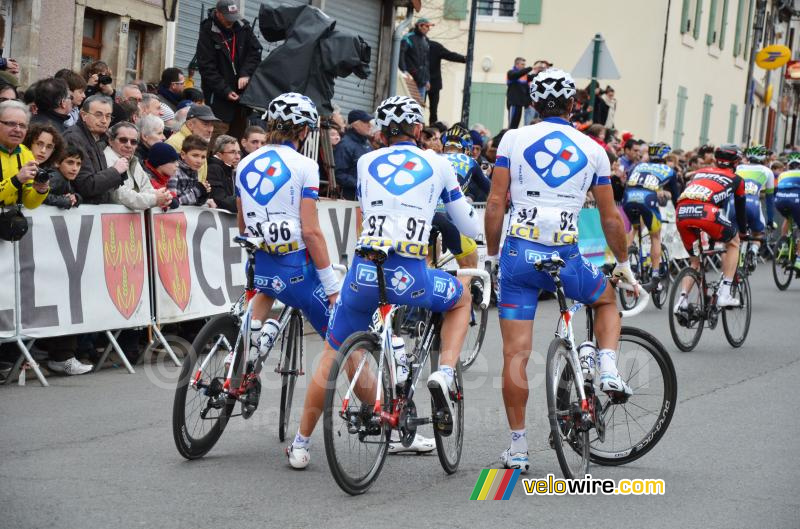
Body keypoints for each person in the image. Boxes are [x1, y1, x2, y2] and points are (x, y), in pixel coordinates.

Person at [288, 95, 480, 468]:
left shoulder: (365, 161)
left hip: (363, 271)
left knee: (333, 354)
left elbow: (365, 214)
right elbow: (468, 224)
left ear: (380, 132)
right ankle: (444, 373)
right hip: (410, 273)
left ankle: (300, 444)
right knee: (461, 298)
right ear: (419, 130)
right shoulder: (437, 162)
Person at [484, 69, 637, 473]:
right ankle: (606, 367)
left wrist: (494, 256)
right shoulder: (593, 148)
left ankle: (518, 448)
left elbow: (496, 202)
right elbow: (609, 218)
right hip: (565, 256)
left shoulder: (513, 139)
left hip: (519, 255)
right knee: (605, 300)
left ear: (533, 103)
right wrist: (622, 264)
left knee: (514, 356)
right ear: (574, 106)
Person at [230, 93, 341, 468]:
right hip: (295, 266)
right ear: (305, 130)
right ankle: (384, 421)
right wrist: (331, 285)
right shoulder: (306, 165)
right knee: (345, 343)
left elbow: (243, 224)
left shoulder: (245, 162)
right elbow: (311, 232)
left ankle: (244, 351)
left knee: (263, 292)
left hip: (261, 259)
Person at [673, 144, 748, 312]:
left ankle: (681, 301)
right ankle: (725, 294)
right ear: (735, 163)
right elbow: (740, 209)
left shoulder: (701, 172)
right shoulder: (737, 180)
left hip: (682, 212)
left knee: (695, 261)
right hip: (706, 212)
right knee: (734, 242)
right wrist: (743, 231)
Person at [195, 0, 263, 140]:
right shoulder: (208, 30)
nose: (231, 22)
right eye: (227, 18)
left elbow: (255, 52)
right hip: (219, 99)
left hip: (242, 99)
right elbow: (206, 67)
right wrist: (225, 91)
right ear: (218, 13)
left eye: (233, 17)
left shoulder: (244, 26)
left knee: (236, 142)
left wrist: (246, 73)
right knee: (217, 140)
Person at [621, 142, 680, 291]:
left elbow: (629, 181)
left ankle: (625, 264)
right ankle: (655, 277)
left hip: (628, 197)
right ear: (665, 157)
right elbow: (676, 197)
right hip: (647, 199)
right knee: (655, 237)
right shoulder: (669, 170)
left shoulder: (638, 165)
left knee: (634, 229)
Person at [63, 94, 127, 204]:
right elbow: (86, 186)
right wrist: (115, 171)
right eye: (98, 115)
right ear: (83, 115)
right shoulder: (74, 138)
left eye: (108, 116)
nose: (104, 121)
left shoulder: (97, 137)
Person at [105, 121, 173, 210]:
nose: (128, 145)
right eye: (123, 140)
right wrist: (155, 199)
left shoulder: (134, 160)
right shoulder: (106, 159)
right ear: (111, 141)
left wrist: (162, 196)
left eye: (133, 142)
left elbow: (146, 188)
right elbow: (120, 195)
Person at [0, 100, 50, 209]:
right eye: (11, 123)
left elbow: (29, 204)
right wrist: (16, 180)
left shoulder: (26, 153)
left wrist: (40, 191)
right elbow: (16, 181)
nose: (18, 130)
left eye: (22, 125)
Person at [735, 145, 775, 262]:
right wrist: (770, 221)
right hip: (753, 205)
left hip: (735, 204)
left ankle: (725, 274)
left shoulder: (739, 168)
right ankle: (753, 249)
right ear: (763, 158)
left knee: (733, 236)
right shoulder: (767, 171)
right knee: (758, 233)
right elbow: (769, 199)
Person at [166, 104, 219, 182]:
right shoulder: (175, 143)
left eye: (212, 125)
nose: (210, 130)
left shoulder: (199, 142)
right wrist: (199, 189)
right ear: (190, 125)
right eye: (205, 124)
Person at [333, 109, 373, 200]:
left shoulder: (367, 144)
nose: (370, 125)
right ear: (356, 125)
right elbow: (339, 174)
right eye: (366, 122)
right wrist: (360, 183)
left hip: (366, 198)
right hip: (351, 199)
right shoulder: (345, 145)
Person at [427, 40, 465, 124]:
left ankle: (432, 127)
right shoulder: (433, 46)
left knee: (433, 110)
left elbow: (449, 55)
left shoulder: (434, 46)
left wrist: (463, 58)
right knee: (429, 109)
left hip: (433, 83)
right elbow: (449, 55)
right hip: (424, 81)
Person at [774, 153, 800, 271]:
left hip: (780, 201)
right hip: (795, 201)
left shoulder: (783, 174)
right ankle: (799, 259)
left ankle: (784, 245)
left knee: (787, 218)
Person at [175, 134, 214, 207]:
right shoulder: (175, 172)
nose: (199, 161)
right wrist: (198, 190)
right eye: (195, 155)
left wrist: (204, 193)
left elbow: (193, 202)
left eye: (203, 157)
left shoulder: (193, 171)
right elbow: (176, 202)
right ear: (183, 155)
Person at [399, 18, 433, 101]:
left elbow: (426, 62)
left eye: (429, 27)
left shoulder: (425, 41)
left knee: (418, 108)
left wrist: (427, 79)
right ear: (419, 26)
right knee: (407, 104)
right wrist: (404, 71)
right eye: (427, 26)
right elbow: (401, 54)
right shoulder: (408, 38)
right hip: (410, 79)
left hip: (422, 82)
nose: (428, 29)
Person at [206, 134, 240, 212]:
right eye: (232, 152)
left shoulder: (231, 169)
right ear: (219, 155)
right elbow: (220, 200)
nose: (238, 156)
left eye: (238, 152)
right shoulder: (213, 169)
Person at [44, 144, 83, 210]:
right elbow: (40, 196)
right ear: (57, 163)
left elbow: (71, 193)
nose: (75, 168)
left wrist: (75, 197)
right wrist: (64, 200)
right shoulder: (56, 178)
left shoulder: (65, 177)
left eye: (78, 164)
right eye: (70, 163)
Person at [143, 142, 181, 210]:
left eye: (177, 161)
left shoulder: (163, 178)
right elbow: (165, 195)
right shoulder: (148, 178)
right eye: (173, 161)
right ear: (160, 163)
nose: (177, 165)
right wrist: (172, 199)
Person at [505, 57, 533, 129]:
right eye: (522, 64)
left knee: (515, 126)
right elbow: (517, 74)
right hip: (513, 104)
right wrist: (530, 68)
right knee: (511, 126)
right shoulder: (511, 73)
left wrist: (541, 70)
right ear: (517, 64)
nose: (524, 66)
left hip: (520, 105)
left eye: (524, 64)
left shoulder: (524, 76)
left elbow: (534, 77)